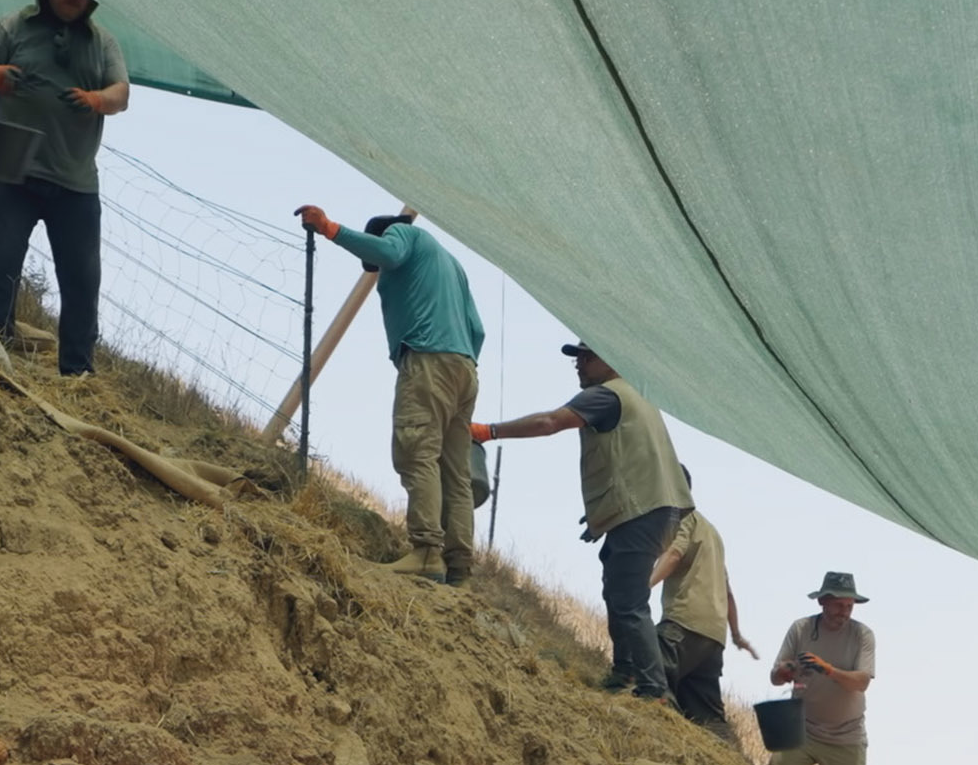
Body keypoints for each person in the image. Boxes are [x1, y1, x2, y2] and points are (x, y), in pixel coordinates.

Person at [470, 341, 692, 699]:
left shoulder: (606, 395)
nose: (579, 364)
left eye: (587, 357)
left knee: (629, 600)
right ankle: (624, 672)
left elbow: (549, 422)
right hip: (655, 511)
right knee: (618, 589)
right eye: (577, 358)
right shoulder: (639, 397)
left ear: (612, 361)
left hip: (643, 512)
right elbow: (632, 463)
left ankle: (653, 689)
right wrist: (606, 513)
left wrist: (488, 431)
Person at [292, 204, 484, 583]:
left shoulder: (403, 233)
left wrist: (330, 229)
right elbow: (477, 329)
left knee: (416, 452)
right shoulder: (452, 266)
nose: (379, 271)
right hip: (464, 368)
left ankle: (427, 551)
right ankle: (459, 568)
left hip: (427, 359)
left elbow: (390, 253)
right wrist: (458, 362)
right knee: (456, 471)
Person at [0, 0, 128, 376]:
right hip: (12, 172)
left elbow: (121, 94)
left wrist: (96, 100)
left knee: (81, 281)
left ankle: (77, 374)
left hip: (76, 183)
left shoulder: (102, 42)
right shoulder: (12, 27)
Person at [768, 572, 878, 765]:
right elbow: (775, 677)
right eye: (839, 605)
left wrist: (827, 669)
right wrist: (787, 670)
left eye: (849, 606)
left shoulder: (862, 635)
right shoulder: (801, 629)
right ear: (822, 602)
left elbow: (861, 682)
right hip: (801, 728)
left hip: (845, 736)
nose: (845, 612)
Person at [648, 474, 757, 736]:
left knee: (647, 670)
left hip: (683, 624)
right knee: (707, 716)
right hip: (713, 638)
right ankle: (727, 753)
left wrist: (644, 585)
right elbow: (727, 592)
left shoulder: (683, 518)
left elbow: (674, 554)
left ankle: (665, 730)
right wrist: (736, 634)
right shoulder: (713, 533)